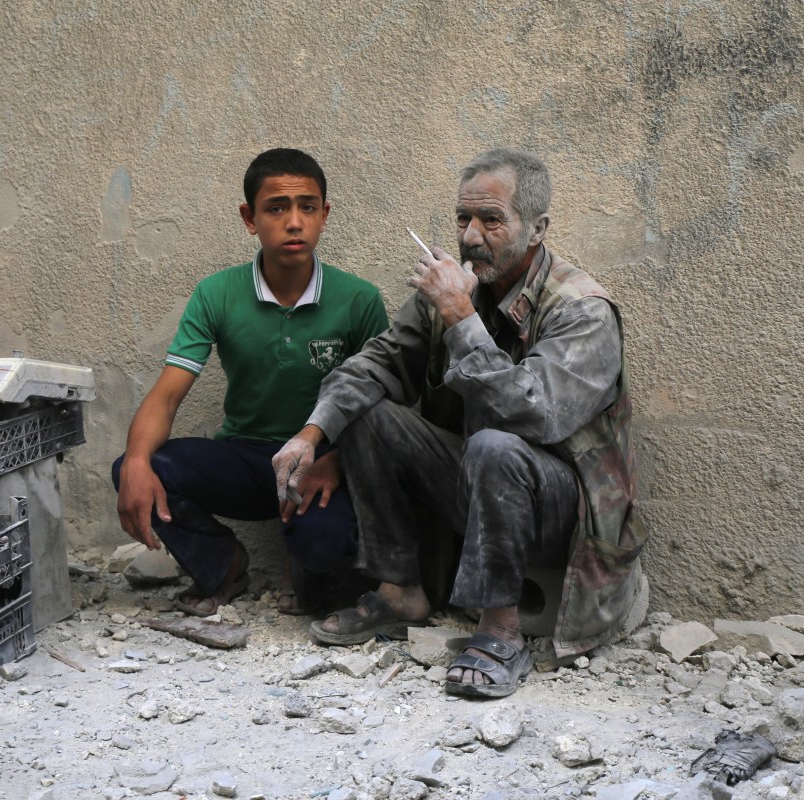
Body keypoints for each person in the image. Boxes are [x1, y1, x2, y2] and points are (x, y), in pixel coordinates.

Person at [272, 148, 647, 697]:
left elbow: (535, 414)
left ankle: (500, 631)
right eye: (463, 219)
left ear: (537, 229)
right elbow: (377, 363)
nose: (471, 236)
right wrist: (313, 434)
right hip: (479, 485)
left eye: (491, 220)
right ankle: (400, 590)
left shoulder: (580, 309)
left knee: (496, 444)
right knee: (370, 413)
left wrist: (461, 319)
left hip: (565, 512)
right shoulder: (455, 291)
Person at [112, 148, 388, 617]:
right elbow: (168, 393)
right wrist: (138, 460)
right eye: (276, 208)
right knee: (135, 467)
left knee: (323, 553)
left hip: (319, 465)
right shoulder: (217, 294)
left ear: (325, 215)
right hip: (245, 459)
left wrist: (339, 461)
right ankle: (225, 565)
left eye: (307, 207)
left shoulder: (359, 300)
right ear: (250, 218)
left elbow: (381, 405)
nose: (294, 222)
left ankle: (305, 562)